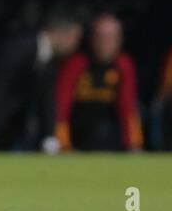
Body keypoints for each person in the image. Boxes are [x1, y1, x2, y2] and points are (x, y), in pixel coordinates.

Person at [0, 9, 83, 153]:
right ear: (59, 34)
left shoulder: (50, 58)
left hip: (6, 128)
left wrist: (50, 140)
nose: (75, 44)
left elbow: (46, 101)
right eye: (74, 37)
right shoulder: (20, 48)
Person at [53, 12, 143, 152]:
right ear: (91, 38)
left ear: (120, 40)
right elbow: (61, 106)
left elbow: (128, 107)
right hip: (77, 132)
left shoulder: (124, 65)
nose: (105, 43)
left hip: (110, 135)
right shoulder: (76, 63)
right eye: (101, 37)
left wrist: (134, 144)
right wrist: (63, 144)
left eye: (110, 38)